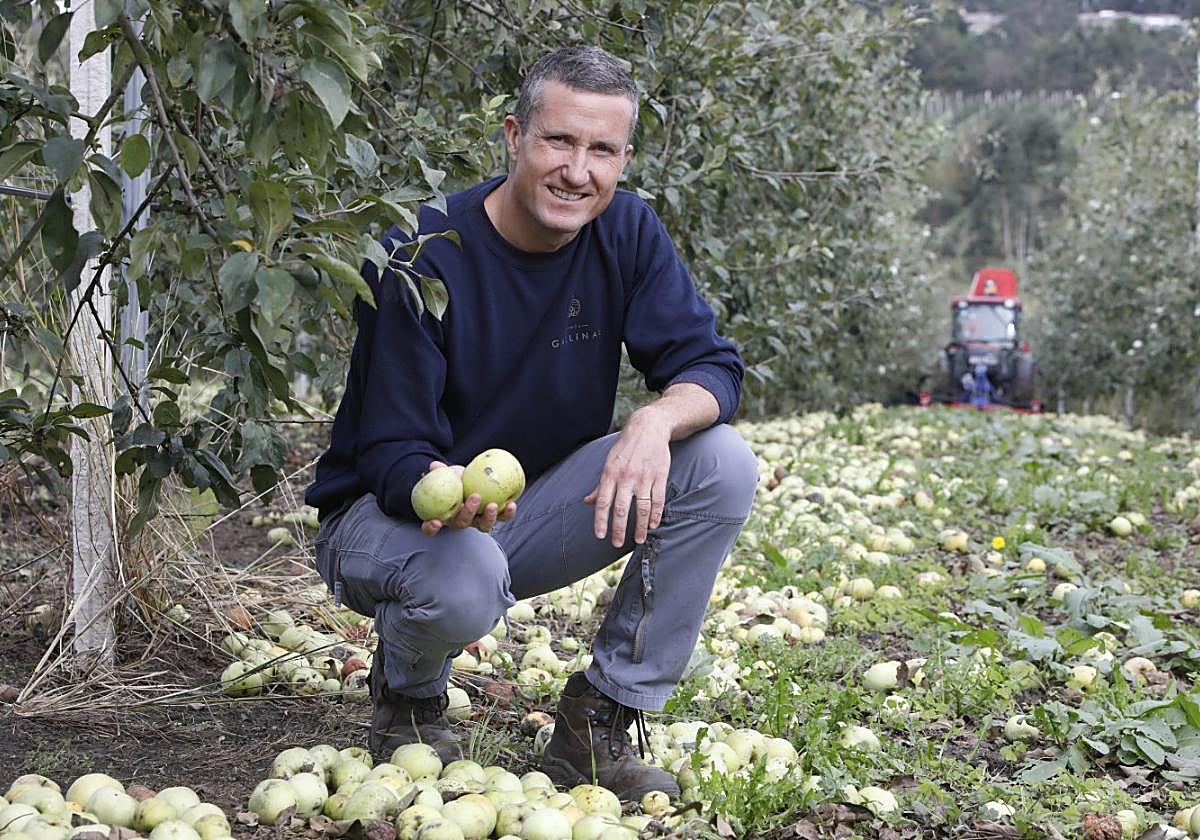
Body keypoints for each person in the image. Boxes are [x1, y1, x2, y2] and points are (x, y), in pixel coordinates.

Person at [305, 45, 758, 802]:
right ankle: (409, 697)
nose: (577, 171)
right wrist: (439, 488)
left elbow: (712, 367)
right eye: (558, 140)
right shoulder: (420, 251)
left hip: (526, 511)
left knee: (720, 463)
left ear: (624, 160)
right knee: (465, 576)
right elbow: (388, 449)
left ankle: (599, 719)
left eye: (601, 150)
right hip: (387, 522)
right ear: (514, 137)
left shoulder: (626, 232)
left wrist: (653, 421)